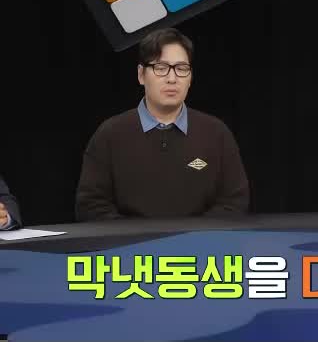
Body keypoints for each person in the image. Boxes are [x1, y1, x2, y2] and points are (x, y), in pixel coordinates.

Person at [75, 28, 249, 221]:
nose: (172, 78)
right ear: (141, 75)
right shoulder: (110, 134)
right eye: (161, 67)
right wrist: (139, 236)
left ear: (190, 77)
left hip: (201, 240)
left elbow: (234, 202)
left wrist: (192, 235)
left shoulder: (216, 133)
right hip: (131, 241)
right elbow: (91, 206)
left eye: (181, 68)